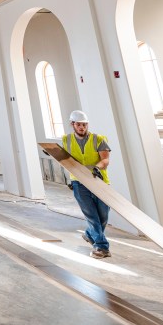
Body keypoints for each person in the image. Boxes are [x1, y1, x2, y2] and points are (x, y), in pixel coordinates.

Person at [62, 110, 112, 259]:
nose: (82, 127)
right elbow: (65, 158)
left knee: (103, 215)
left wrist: (97, 167)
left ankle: (90, 233)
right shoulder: (66, 140)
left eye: (84, 124)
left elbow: (105, 160)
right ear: (72, 124)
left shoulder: (99, 139)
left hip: (98, 180)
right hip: (79, 182)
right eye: (79, 124)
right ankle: (102, 247)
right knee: (91, 215)